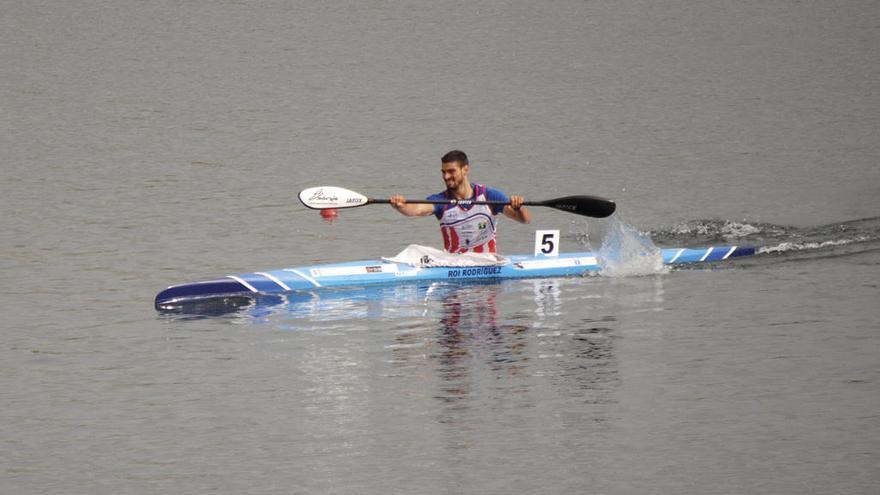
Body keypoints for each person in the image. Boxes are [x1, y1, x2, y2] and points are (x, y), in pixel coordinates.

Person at [390, 150, 531, 254]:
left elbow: (524, 220)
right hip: (454, 265)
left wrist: (519, 208)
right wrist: (401, 206)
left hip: (487, 264)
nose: (446, 176)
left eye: (451, 171)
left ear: (465, 170)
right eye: (443, 172)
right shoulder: (440, 201)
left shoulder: (489, 196)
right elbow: (416, 209)